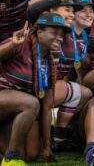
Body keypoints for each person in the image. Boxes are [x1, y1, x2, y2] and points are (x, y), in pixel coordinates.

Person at [0, 13, 71, 165]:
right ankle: (11, 157)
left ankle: (9, 153)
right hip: (4, 99)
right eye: (55, 33)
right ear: (39, 31)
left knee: (31, 154)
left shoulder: (50, 59)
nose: (59, 38)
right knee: (31, 103)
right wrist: (12, 44)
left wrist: (46, 146)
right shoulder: (21, 42)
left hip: (14, 111)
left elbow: (46, 108)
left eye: (62, 35)